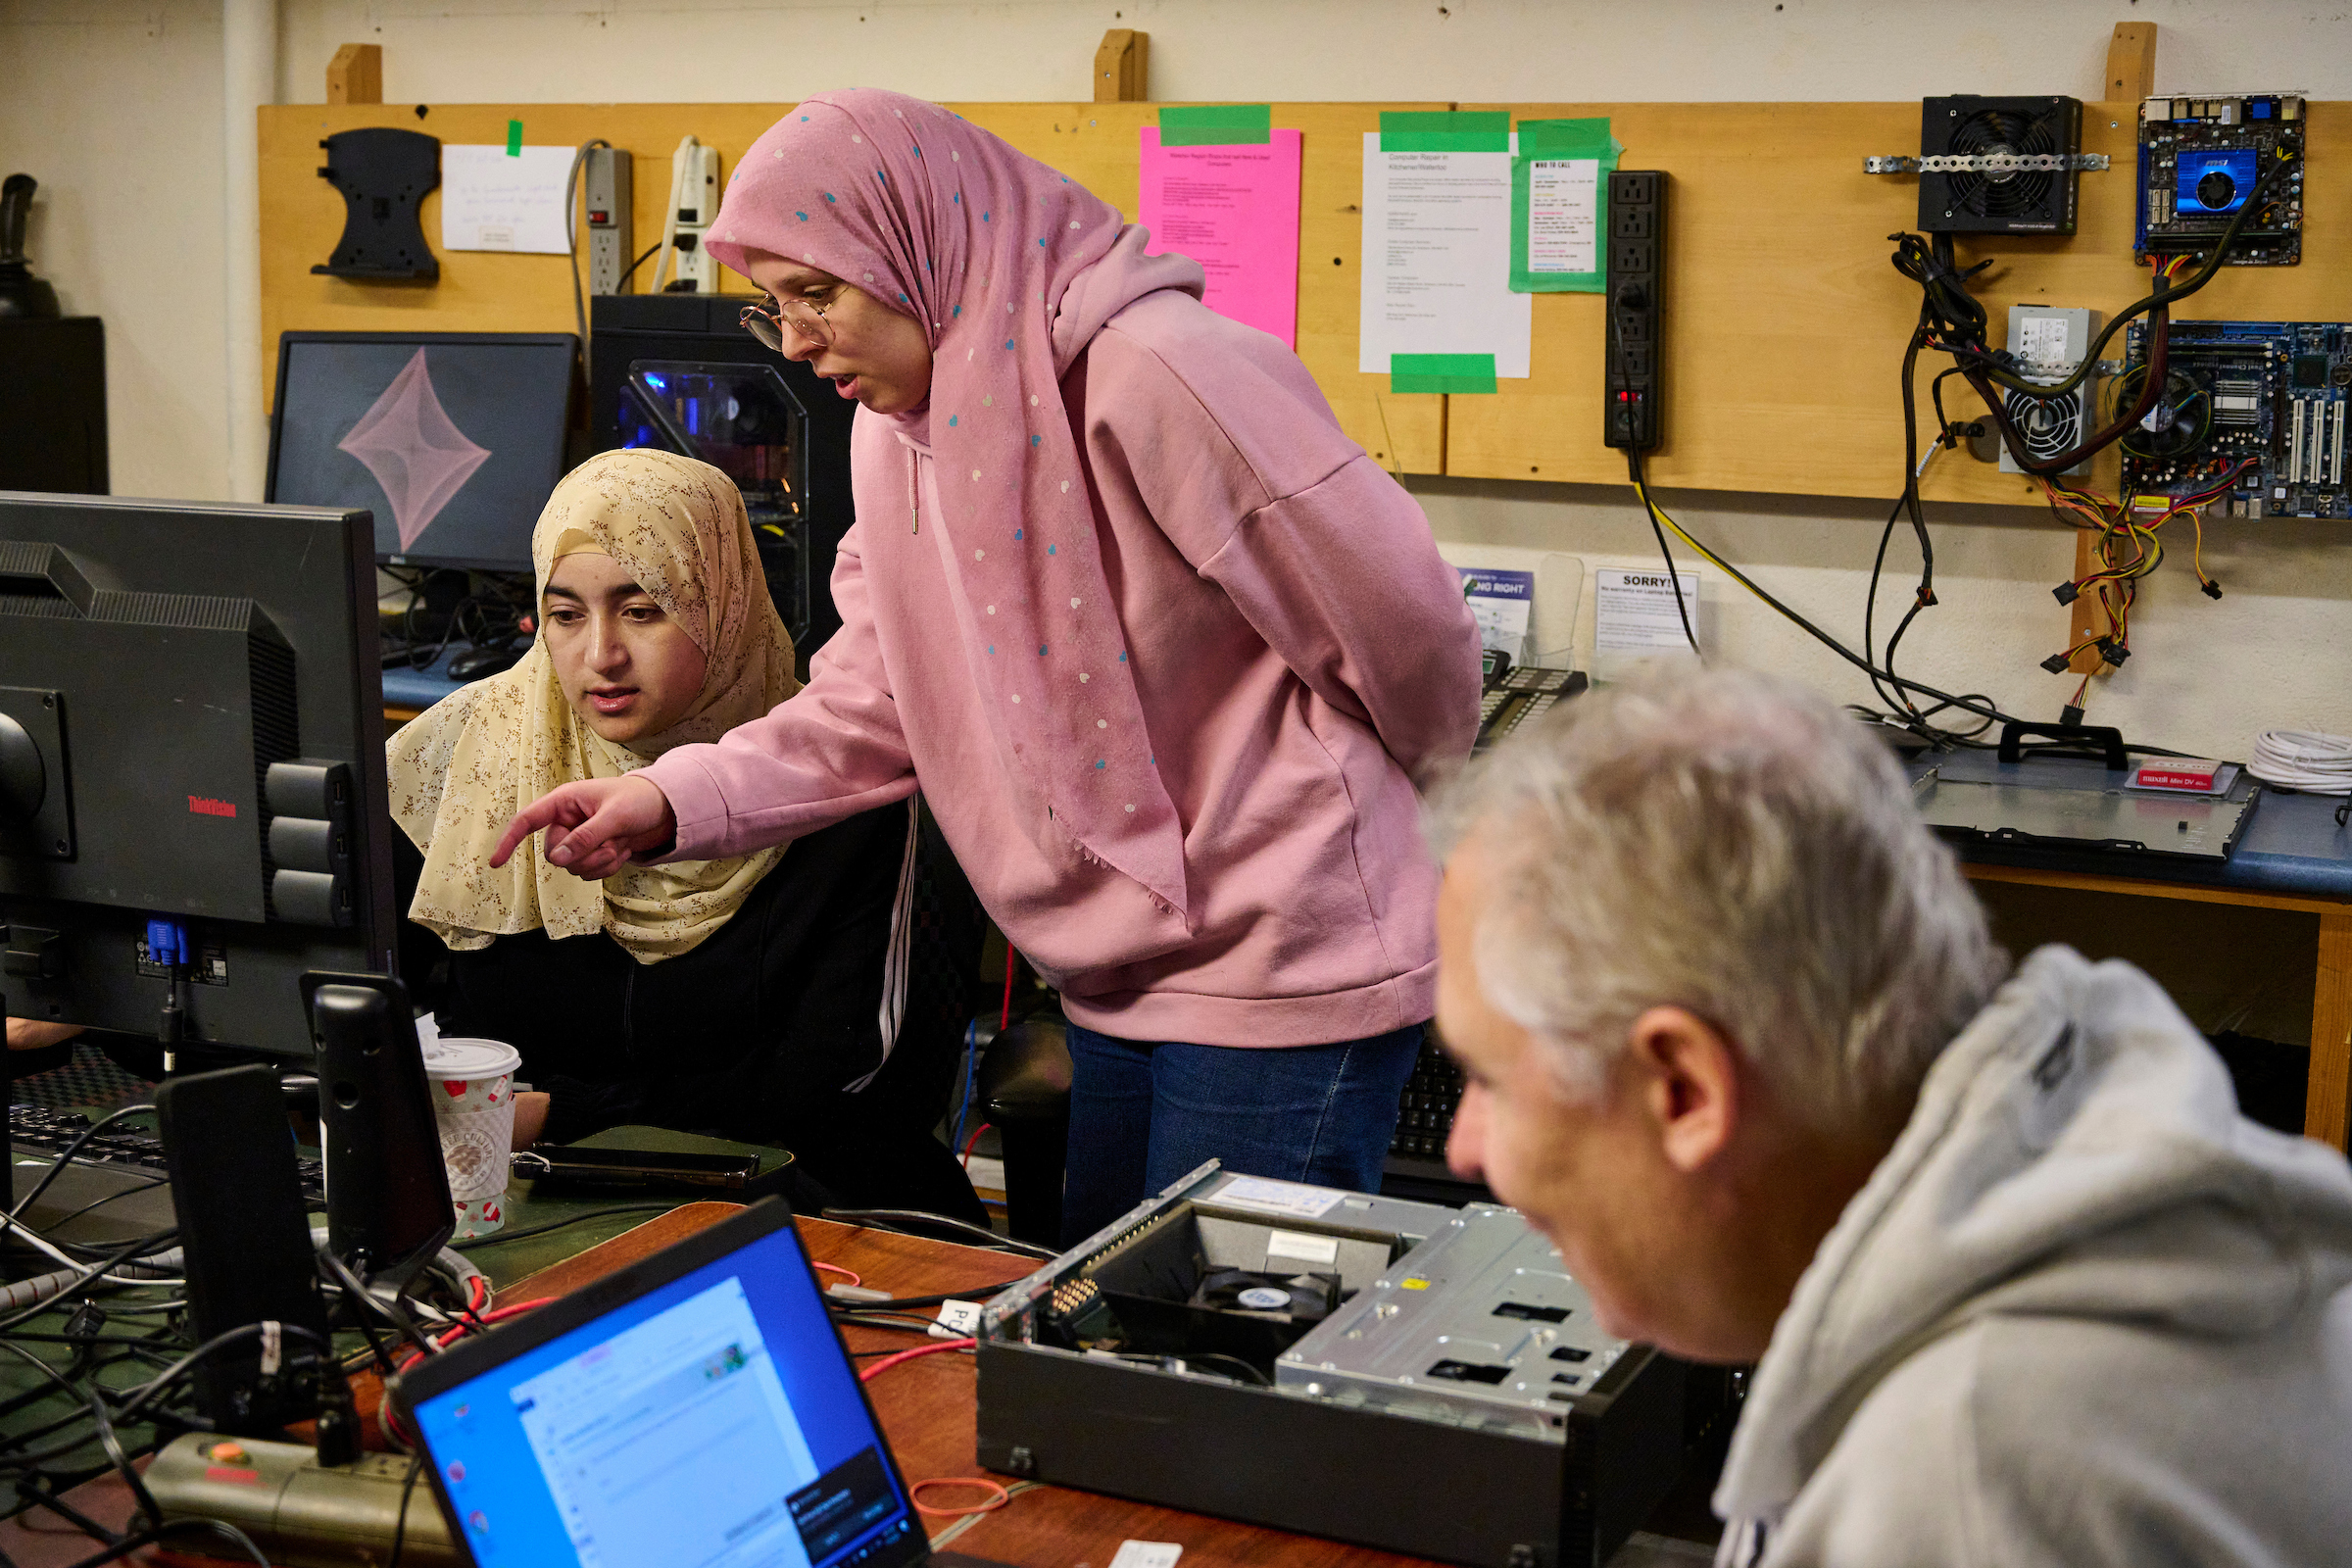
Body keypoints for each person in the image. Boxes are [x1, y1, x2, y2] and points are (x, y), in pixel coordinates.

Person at [491, 89, 1483, 1242]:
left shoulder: (1159, 373)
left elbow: (1406, 632)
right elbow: (876, 693)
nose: (799, 341)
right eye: (777, 306)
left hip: (1282, 959)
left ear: (926, 249)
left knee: (1219, 1378)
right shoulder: (898, 430)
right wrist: (672, 798)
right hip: (1115, 966)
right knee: (1100, 1353)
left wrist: (1404, 810)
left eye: (819, 292)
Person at [1433, 664, 2352, 1568]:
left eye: (1490, 1079)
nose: (1460, 1146)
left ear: (1685, 1091)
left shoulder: (1966, 1482)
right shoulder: (2115, 1153)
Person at [390, 449, 981, 1220]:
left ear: (723, 606)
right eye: (565, 615)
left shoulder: (842, 786)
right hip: (510, 1197)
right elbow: (387, 1018)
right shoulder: (466, 760)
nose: (600, 656)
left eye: (643, 611)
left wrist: (558, 1116)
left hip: (791, 1208)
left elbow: (838, 1095)